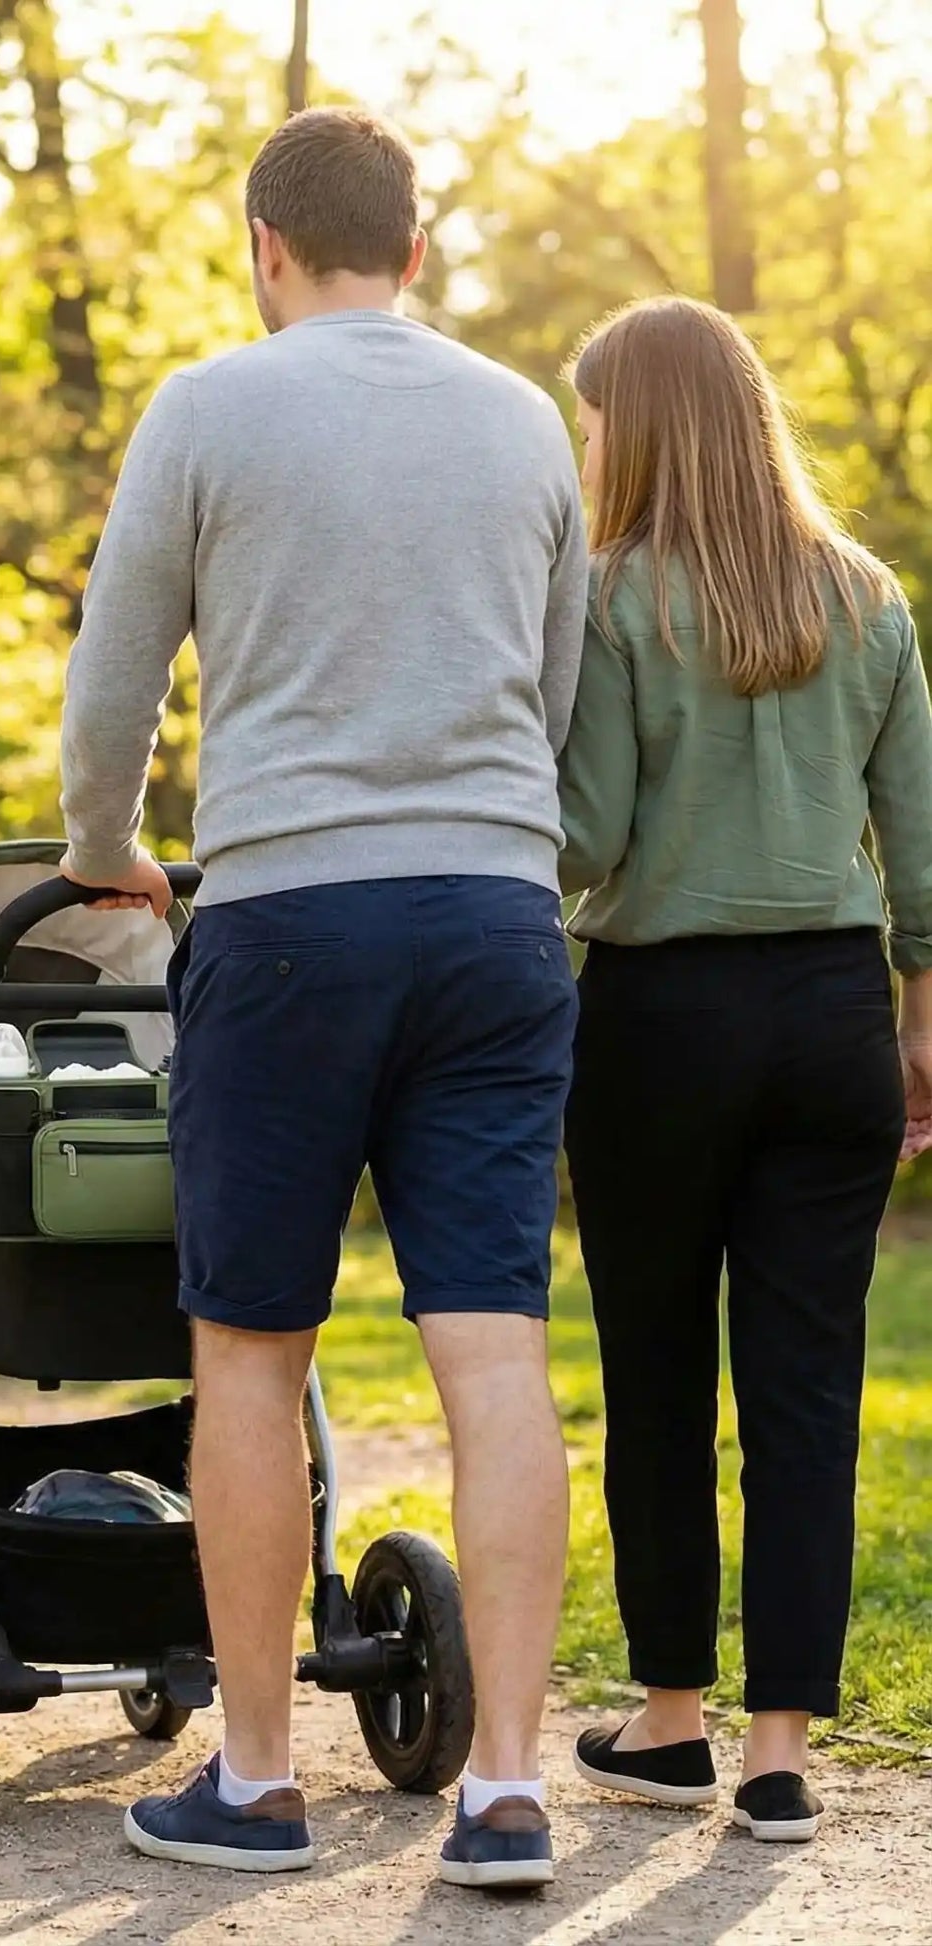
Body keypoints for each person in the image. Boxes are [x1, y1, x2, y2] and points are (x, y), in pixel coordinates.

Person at [57, 106, 587, 1890]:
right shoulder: (522, 421)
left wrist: (102, 848)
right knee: (493, 1349)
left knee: (250, 1348)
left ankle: (260, 1778)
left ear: (261, 247)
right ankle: (503, 1791)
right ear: (414, 249)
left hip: (286, 918)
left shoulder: (209, 406)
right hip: (496, 918)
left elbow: (115, 677)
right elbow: (558, 689)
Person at [558, 296, 932, 1843]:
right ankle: (779, 1752)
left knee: (655, 1375)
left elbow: (587, 833)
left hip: (662, 1018)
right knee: (804, 1388)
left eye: (590, 421)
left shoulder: (612, 598)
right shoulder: (865, 594)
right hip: (835, 1014)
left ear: (640, 426)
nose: (583, 448)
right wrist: (917, 1019)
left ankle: (668, 1721)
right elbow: (918, 843)